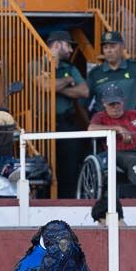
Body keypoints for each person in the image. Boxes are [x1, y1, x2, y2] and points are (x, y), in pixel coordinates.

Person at [88, 83, 136, 198]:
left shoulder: (135, 114)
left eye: (117, 103)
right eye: (111, 103)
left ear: (123, 101)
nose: (115, 106)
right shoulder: (100, 116)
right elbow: (91, 129)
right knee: (133, 160)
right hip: (119, 154)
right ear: (104, 103)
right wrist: (117, 128)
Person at [46, 30, 89, 185]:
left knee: (70, 165)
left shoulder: (70, 68)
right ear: (57, 45)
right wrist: (67, 81)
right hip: (42, 124)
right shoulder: (37, 65)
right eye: (68, 45)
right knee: (44, 166)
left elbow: (84, 91)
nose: (71, 50)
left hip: (66, 122)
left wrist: (57, 88)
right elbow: (45, 86)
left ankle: (69, 196)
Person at [86, 30, 136, 113]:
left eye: (112, 47)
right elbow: (82, 103)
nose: (109, 50)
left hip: (132, 120)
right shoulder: (95, 73)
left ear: (122, 47)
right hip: (103, 121)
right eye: (105, 47)